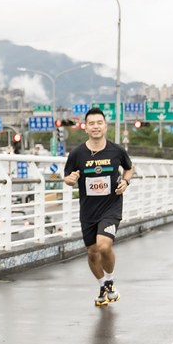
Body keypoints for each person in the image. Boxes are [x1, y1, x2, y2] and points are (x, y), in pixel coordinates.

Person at [63, 107, 134, 306]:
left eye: (99, 123)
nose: (95, 127)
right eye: (91, 123)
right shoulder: (77, 153)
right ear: (85, 128)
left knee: (104, 245)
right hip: (88, 211)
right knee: (92, 252)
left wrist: (126, 183)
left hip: (111, 207)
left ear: (105, 126)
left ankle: (110, 280)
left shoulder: (117, 150)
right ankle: (103, 285)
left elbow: (129, 168)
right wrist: (71, 179)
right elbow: (67, 178)